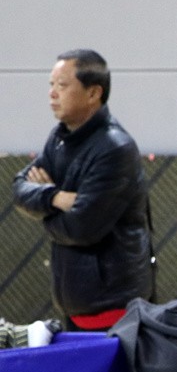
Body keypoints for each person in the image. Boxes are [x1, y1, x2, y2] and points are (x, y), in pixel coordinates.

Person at [12, 49, 154, 332]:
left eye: (62, 85)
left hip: (116, 310)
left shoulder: (115, 148)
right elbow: (19, 188)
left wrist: (44, 212)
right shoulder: (59, 138)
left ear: (93, 93)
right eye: (51, 85)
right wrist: (55, 197)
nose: (52, 94)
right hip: (75, 305)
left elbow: (82, 228)